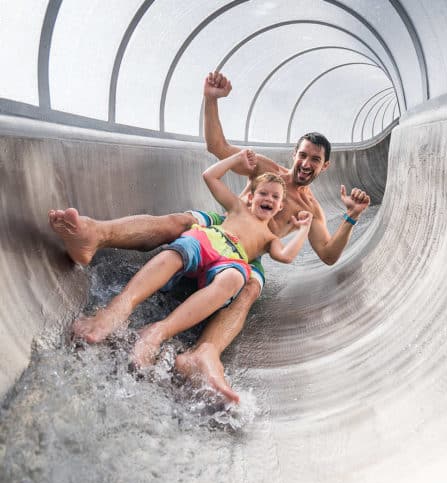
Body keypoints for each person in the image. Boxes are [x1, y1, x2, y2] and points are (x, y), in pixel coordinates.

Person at [48, 70, 370, 402]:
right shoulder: (265, 170)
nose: (306, 163)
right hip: (224, 223)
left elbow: (329, 253)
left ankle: (205, 353)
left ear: (325, 167)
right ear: (294, 154)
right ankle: (95, 235)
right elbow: (216, 147)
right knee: (180, 222)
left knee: (249, 288)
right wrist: (211, 99)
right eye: (303, 155)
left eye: (315, 160)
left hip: (249, 253)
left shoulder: (311, 209)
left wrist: (351, 217)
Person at [71, 149, 312, 371]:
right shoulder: (238, 208)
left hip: (232, 260)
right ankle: (119, 308)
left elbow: (286, 256)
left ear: (280, 207)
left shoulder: (270, 238)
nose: (268, 198)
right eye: (263, 193)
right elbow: (210, 177)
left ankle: (158, 332)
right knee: (180, 250)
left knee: (234, 279)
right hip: (210, 239)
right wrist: (235, 160)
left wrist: (303, 229)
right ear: (251, 197)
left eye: (275, 197)